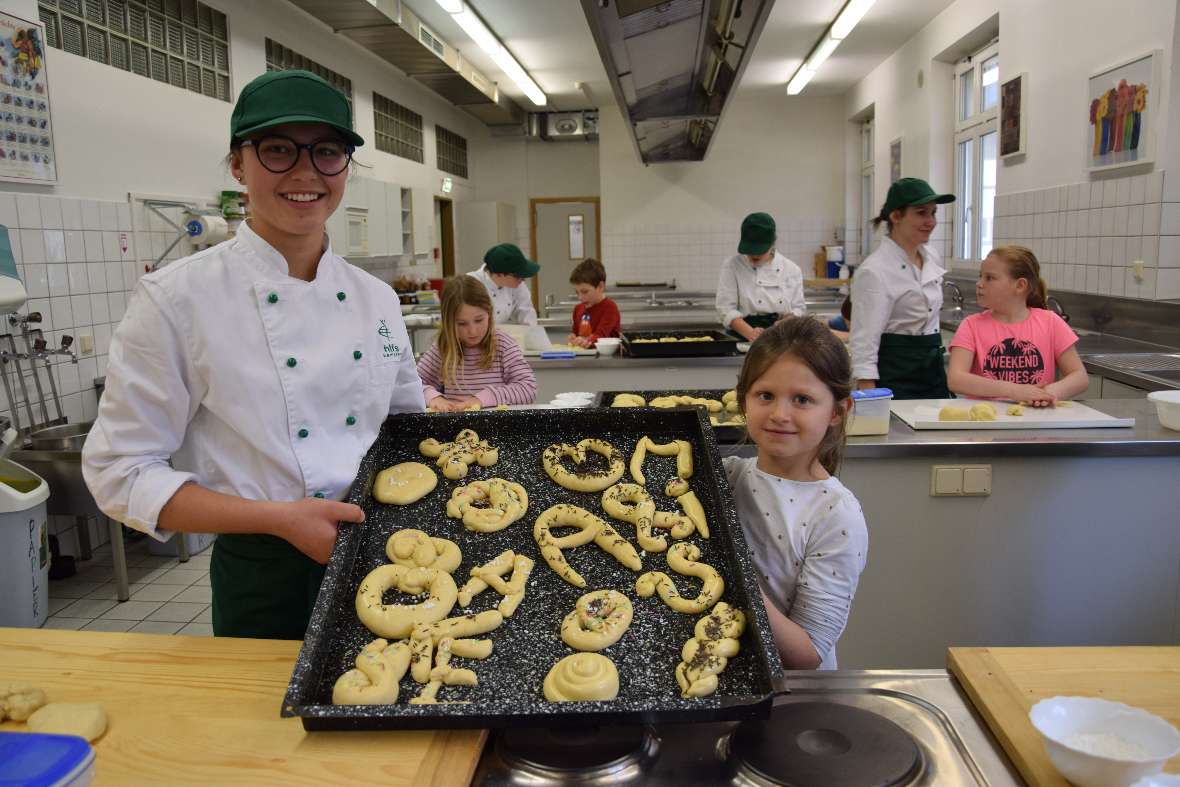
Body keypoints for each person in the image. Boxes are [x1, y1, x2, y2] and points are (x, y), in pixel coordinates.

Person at [81, 70, 425, 640]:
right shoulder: (177, 298)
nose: (306, 172)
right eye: (277, 150)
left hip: (388, 549)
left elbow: (406, 430)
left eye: (328, 152)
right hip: (263, 575)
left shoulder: (377, 299)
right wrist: (279, 520)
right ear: (238, 165)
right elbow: (118, 471)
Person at [723, 317, 868, 669]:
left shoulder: (835, 515)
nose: (780, 414)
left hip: (795, 695)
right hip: (728, 674)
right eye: (765, 395)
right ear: (744, 400)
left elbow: (808, 654)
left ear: (837, 411)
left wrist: (734, 576)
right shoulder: (726, 475)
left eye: (802, 399)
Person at [850, 178, 956, 399]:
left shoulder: (931, 257)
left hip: (932, 372)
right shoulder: (874, 271)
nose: (931, 221)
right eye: (921, 213)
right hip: (894, 374)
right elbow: (865, 340)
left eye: (933, 213)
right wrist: (869, 397)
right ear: (896, 216)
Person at [948, 245, 1088, 404]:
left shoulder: (1051, 322)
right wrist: (1013, 390)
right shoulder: (971, 326)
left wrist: (1048, 393)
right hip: (986, 423)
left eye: (990, 278)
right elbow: (956, 379)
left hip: (1036, 421)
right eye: (981, 276)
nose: (979, 284)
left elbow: (1079, 376)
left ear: (1020, 285)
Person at [417, 276, 538, 411]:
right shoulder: (442, 348)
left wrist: (482, 399)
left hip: (497, 429)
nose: (472, 331)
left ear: (489, 314)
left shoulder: (503, 345)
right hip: (457, 429)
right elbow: (412, 384)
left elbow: (528, 388)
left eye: (479, 320)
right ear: (448, 322)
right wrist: (433, 397)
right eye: (461, 324)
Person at [715, 212, 806, 341]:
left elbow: (798, 309)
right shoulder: (732, 266)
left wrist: (782, 325)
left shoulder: (791, 269)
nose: (754, 255)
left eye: (760, 250)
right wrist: (750, 333)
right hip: (741, 336)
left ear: (772, 243)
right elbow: (725, 308)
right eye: (750, 250)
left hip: (780, 337)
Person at [467, 243, 542, 327]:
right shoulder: (470, 284)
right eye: (518, 276)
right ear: (499, 274)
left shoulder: (517, 284)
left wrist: (530, 334)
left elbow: (526, 310)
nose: (522, 280)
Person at [566, 257, 620, 348]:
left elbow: (601, 336)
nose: (580, 297)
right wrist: (573, 339)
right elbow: (576, 335)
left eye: (585, 292)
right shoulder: (578, 309)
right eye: (577, 292)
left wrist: (586, 341)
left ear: (600, 286)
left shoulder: (610, 307)